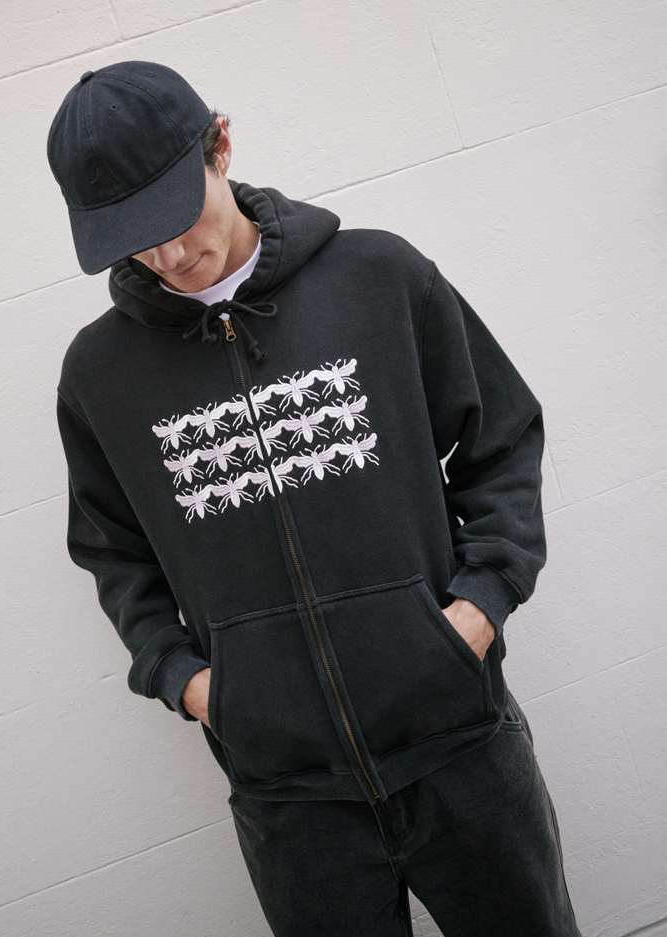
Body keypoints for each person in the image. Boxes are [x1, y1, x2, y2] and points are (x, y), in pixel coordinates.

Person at [47, 60, 581, 936]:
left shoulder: (379, 276)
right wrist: (191, 682)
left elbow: (502, 437)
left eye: (174, 216)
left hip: (461, 748)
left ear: (221, 145)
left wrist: (478, 608)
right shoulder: (99, 374)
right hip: (290, 801)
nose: (169, 255)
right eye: (132, 239)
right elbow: (114, 553)